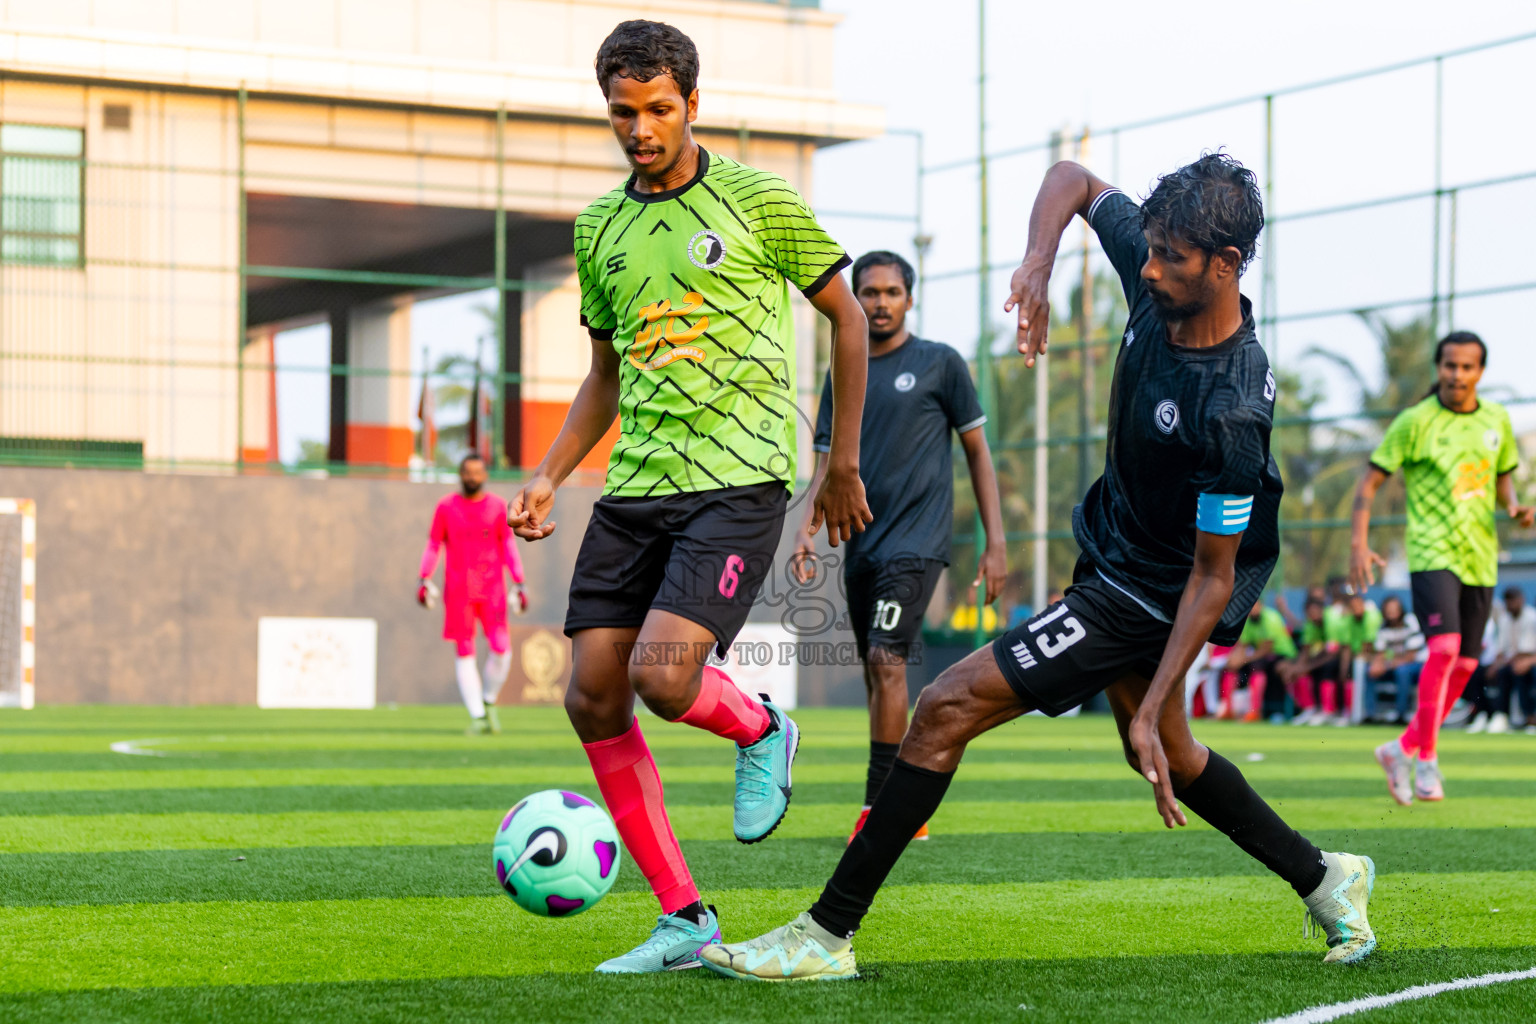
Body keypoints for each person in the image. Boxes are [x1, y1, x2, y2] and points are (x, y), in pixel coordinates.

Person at [698, 153, 1376, 982]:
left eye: (1170, 259)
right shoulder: (1161, 271)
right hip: (1113, 554)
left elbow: (1211, 577)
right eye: (1149, 251)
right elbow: (1074, 180)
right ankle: (1324, 877)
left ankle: (824, 934)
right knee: (1170, 755)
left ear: (1227, 265)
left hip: (1150, 592)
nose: (1149, 268)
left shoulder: (1231, 410)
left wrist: (1152, 695)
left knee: (944, 706)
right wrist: (1037, 263)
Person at [506, 20, 871, 973]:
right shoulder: (600, 229)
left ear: (693, 104)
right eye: (623, 112)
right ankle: (684, 918)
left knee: (663, 678)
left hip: (739, 477)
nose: (640, 128)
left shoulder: (756, 198)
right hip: (635, 491)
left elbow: (847, 318)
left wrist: (841, 460)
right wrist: (549, 475)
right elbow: (604, 378)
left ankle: (763, 726)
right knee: (592, 695)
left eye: (658, 109)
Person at [796, 251, 1005, 843]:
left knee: (888, 662)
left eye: (891, 292)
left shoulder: (940, 364)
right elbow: (822, 460)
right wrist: (807, 528)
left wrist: (996, 542)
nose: (880, 302)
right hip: (859, 542)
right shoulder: (844, 370)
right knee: (875, 670)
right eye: (869, 292)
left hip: (918, 543)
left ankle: (882, 807)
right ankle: (902, 802)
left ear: (909, 299)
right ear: (855, 299)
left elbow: (978, 453)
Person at [1354, 330, 1534, 803]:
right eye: (1450, 365)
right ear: (1439, 367)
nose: (1457, 374)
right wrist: (1359, 542)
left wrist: (1514, 506)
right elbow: (1368, 484)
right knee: (1444, 649)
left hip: (1480, 555)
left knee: (1468, 662)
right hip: (1432, 550)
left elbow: (1503, 478)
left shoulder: (1496, 419)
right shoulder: (1415, 422)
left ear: (1480, 372)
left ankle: (1401, 748)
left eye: (1467, 367)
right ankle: (1427, 761)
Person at [418, 454, 526, 734]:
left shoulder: (497, 507)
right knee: (464, 651)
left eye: (477, 472)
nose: (472, 477)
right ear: (460, 474)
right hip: (458, 591)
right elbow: (433, 544)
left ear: (484, 475)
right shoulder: (446, 507)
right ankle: (478, 717)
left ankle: (488, 701)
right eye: (467, 472)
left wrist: (519, 581)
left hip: (493, 591)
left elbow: (508, 547)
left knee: (502, 649)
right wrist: (424, 577)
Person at [1219, 599, 1296, 721]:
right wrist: (1234, 660)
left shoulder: (1271, 617)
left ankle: (1255, 711)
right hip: (1260, 656)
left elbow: (1267, 648)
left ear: (1260, 605)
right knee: (1229, 668)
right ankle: (1227, 709)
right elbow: (1243, 646)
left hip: (1280, 654)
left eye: (1254, 605)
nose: (1252, 609)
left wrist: (1244, 659)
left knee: (1256, 666)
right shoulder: (1248, 621)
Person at [1280, 596, 1342, 726]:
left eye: (1315, 612)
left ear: (1322, 611)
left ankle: (1328, 711)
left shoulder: (1331, 620)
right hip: (1321, 657)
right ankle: (1309, 709)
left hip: (1340, 656)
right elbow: (1306, 650)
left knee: (1328, 668)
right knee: (1297, 671)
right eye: (1309, 613)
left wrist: (1308, 667)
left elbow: (1333, 652)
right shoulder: (1310, 624)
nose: (1312, 616)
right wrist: (1298, 667)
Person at [1365, 595, 1424, 724]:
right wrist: (1376, 666)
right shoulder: (1383, 626)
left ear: (1400, 609)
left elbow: (1411, 656)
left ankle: (1400, 715)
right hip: (1394, 665)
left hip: (1417, 665)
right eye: (1388, 609)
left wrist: (1386, 665)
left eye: (1394, 608)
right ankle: (1370, 715)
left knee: (1402, 671)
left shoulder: (1410, 621)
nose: (1391, 612)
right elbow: (1380, 653)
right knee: (1370, 671)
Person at [1485, 586, 1536, 734]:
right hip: (1513, 662)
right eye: (1508, 602)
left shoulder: (1532, 617)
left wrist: (1524, 662)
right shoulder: (1504, 620)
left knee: (1524, 673)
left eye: (1514, 601)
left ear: (1521, 600)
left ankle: (1530, 717)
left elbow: (1525, 650)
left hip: (1529, 661)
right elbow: (1501, 650)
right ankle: (1499, 716)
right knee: (1492, 672)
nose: (1511, 605)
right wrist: (1495, 665)